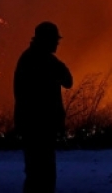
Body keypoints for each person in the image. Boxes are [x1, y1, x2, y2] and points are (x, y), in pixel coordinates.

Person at [13, 21, 73, 193]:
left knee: (36, 174)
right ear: (46, 40)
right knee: (43, 175)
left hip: (33, 126)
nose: (57, 44)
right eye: (55, 40)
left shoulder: (27, 59)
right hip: (40, 127)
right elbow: (68, 81)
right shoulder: (46, 61)